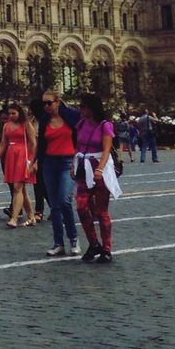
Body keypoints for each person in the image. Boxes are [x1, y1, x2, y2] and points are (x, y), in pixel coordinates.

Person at [74, 92, 122, 263]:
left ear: (91, 108)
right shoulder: (80, 124)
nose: (81, 109)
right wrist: (74, 165)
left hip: (99, 169)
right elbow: (77, 146)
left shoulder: (105, 125)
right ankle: (94, 243)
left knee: (101, 211)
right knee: (81, 206)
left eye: (83, 106)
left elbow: (107, 149)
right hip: (84, 168)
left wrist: (100, 169)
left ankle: (107, 249)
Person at [39, 89, 80, 255]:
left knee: (65, 201)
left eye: (49, 102)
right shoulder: (44, 120)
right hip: (49, 163)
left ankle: (74, 238)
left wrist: (78, 160)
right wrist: (35, 162)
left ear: (57, 102)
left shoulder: (71, 116)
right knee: (54, 206)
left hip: (68, 162)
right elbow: (41, 143)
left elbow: (80, 137)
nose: (46, 106)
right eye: (44, 103)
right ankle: (58, 243)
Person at [0, 102, 36, 227]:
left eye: (13, 113)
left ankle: (14, 218)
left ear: (20, 113)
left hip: (23, 156)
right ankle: (31, 216)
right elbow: (3, 144)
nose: (11, 116)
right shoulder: (6, 126)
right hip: (11, 155)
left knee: (17, 187)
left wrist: (33, 161)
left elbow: (33, 143)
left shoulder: (27, 125)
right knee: (21, 189)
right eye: (9, 113)